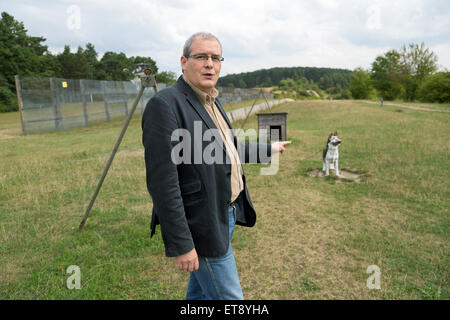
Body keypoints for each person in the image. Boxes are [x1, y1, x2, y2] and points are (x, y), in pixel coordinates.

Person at [142, 32, 291, 300]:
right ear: (184, 61)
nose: (209, 64)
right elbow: (163, 182)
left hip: (226, 213)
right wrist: (183, 243)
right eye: (201, 57)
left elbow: (223, 149)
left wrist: (267, 149)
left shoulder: (211, 99)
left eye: (215, 57)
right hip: (202, 224)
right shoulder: (165, 105)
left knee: (200, 296)